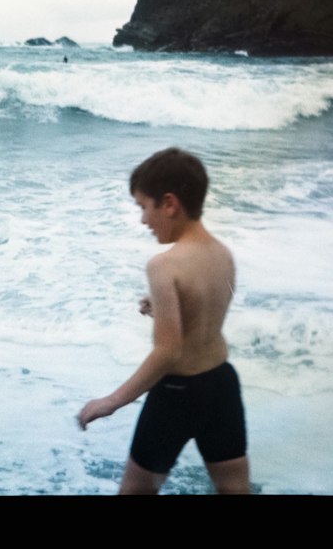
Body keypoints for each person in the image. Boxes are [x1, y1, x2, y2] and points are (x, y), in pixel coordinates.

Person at [77, 148, 250, 494]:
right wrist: (166, 308)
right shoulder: (222, 253)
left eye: (144, 207)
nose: (143, 220)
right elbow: (204, 317)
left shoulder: (163, 265)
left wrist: (113, 401)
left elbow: (168, 351)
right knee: (235, 489)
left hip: (177, 395)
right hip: (221, 386)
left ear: (169, 204)